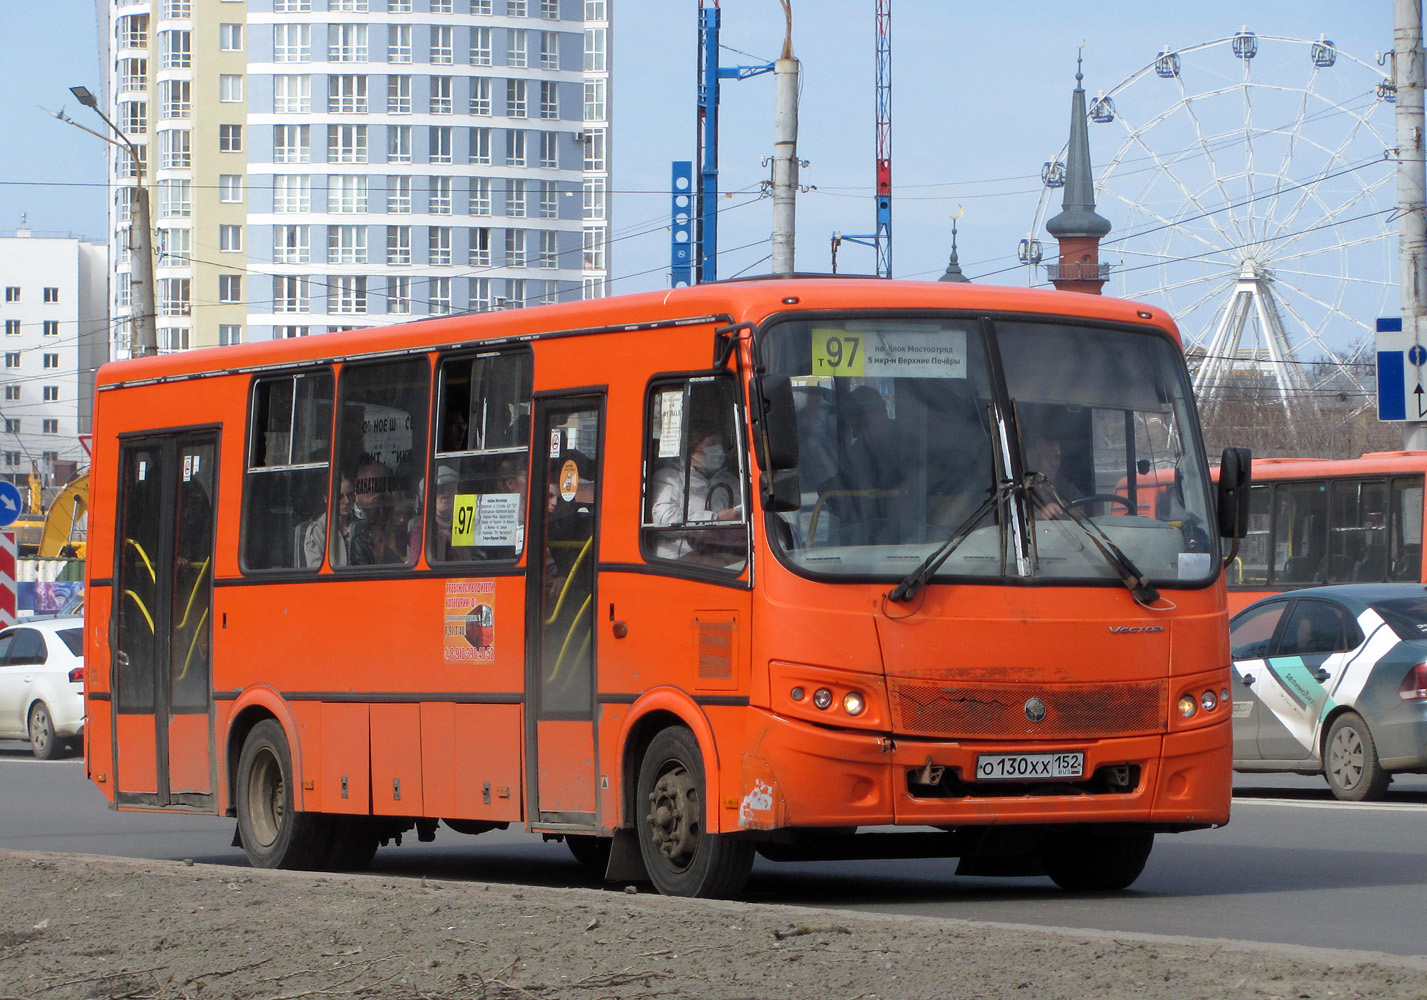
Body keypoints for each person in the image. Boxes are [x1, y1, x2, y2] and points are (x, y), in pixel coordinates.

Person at [649, 421, 741, 560]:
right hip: (681, 557)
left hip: (723, 551)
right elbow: (663, 519)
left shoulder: (729, 480)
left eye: (719, 444)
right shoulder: (670, 477)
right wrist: (715, 518)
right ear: (692, 450)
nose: (717, 450)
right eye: (710, 444)